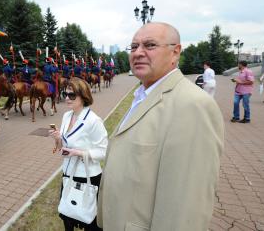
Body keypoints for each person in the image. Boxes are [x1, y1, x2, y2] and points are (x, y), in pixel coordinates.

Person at [97, 22, 224, 231]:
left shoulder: (192, 105)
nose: (138, 53)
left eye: (150, 45)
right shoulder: (143, 94)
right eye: (134, 46)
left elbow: (185, 208)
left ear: (175, 53)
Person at [50, 77, 108, 231]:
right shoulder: (66, 116)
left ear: (83, 96)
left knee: (89, 221)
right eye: (65, 94)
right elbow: (62, 146)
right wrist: (58, 139)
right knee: (67, 217)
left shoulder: (94, 121)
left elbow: (103, 151)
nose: (67, 98)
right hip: (68, 173)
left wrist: (78, 153)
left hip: (87, 176)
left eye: (72, 95)